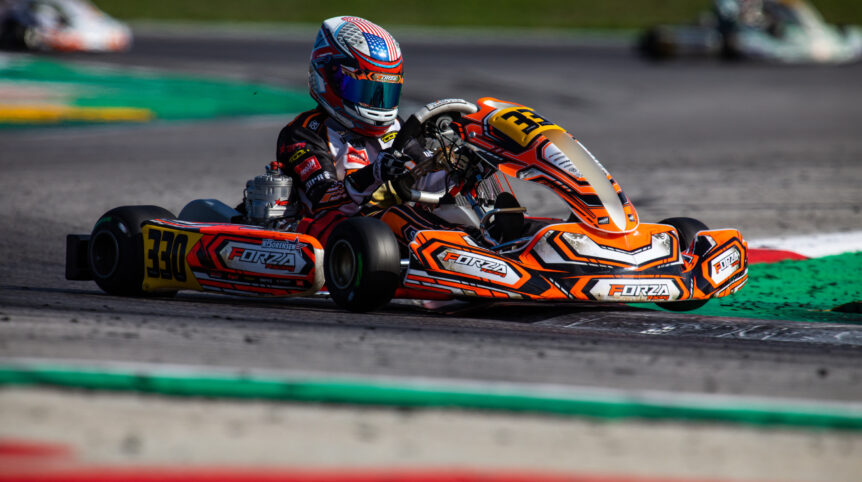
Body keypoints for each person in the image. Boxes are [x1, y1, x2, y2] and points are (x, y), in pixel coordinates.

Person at [273, 15, 440, 246]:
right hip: (335, 234)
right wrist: (374, 173)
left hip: (392, 233)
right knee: (395, 219)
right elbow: (324, 197)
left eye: (384, 92)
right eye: (365, 90)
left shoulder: (398, 128)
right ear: (328, 76)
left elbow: (428, 177)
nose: (377, 104)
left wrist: (455, 163)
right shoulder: (304, 133)